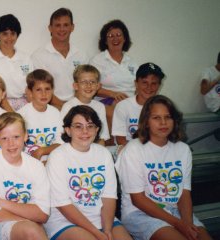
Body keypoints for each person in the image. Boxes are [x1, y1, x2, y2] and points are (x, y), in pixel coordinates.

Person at [115, 95, 212, 240]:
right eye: (156, 118)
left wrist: (187, 223)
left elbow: (184, 194)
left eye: (168, 117)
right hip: (139, 213)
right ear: (146, 121)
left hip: (175, 210)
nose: (163, 123)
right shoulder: (133, 150)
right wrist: (179, 225)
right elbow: (138, 200)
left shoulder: (183, 149)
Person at [45, 105, 132, 240]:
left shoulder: (103, 153)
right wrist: (97, 234)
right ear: (68, 130)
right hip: (65, 220)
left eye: (90, 126)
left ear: (97, 130)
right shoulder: (57, 156)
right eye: (78, 126)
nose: (85, 131)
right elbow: (63, 204)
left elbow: (109, 196)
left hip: (101, 217)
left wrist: (107, 229)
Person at [0, 112, 50, 240]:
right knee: (32, 231)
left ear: (25, 136)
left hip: (25, 224)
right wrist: (29, 221)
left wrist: (3, 203)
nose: (11, 144)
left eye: (16, 137)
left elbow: (42, 215)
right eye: (5, 138)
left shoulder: (36, 166)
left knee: (31, 231)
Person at [90, 20, 138, 144]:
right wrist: (113, 94)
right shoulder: (98, 60)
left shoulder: (131, 61)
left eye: (118, 35)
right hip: (108, 100)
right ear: (105, 41)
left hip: (130, 100)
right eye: (110, 36)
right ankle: (116, 146)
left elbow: (138, 86)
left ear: (125, 38)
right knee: (115, 111)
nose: (115, 38)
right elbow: (91, 87)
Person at [32, 7, 88, 110]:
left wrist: (75, 107)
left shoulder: (81, 55)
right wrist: (65, 107)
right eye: (58, 25)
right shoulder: (38, 56)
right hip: (51, 106)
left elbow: (85, 85)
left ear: (72, 27)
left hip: (78, 105)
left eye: (66, 25)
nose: (62, 29)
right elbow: (40, 90)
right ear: (50, 28)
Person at [0, 14, 33, 111]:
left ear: (17, 35)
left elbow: (31, 87)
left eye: (13, 33)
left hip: (26, 103)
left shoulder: (26, 58)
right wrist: (11, 113)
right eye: (5, 34)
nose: (9, 38)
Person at [112, 62, 165, 152]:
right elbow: (120, 140)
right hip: (130, 150)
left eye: (154, 83)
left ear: (159, 85)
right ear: (136, 83)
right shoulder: (123, 106)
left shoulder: (163, 107)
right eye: (144, 82)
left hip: (156, 150)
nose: (149, 87)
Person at [18, 69, 62, 161]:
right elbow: (17, 146)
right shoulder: (21, 115)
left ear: (52, 90)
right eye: (38, 90)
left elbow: (60, 143)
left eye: (47, 89)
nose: (44, 94)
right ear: (30, 92)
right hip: (28, 160)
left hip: (52, 159)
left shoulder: (56, 113)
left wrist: (41, 151)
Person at [60, 64, 110, 145]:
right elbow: (64, 137)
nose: (88, 85)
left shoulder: (100, 107)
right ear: (76, 86)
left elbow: (102, 138)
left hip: (94, 150)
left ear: (98, 86)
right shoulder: (68, 106)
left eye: (92, 82)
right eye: (84, 82)